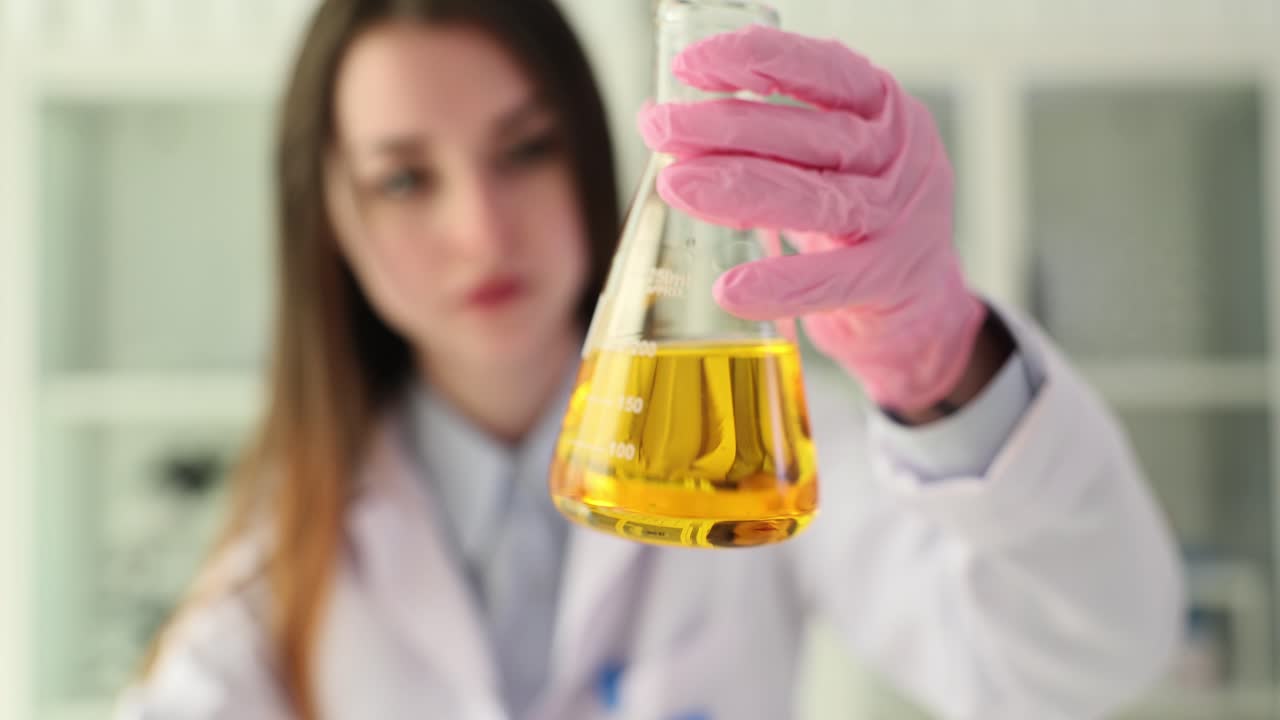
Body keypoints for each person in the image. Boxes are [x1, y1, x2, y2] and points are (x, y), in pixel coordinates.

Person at [117, 0, 1184, 718]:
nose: (481, 233)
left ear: (593, 154)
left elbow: (1078, 661)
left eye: (524, 149)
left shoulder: (762, 443)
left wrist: (942, 369)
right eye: (404, 180)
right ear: (330, 221)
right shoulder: (287, 546)